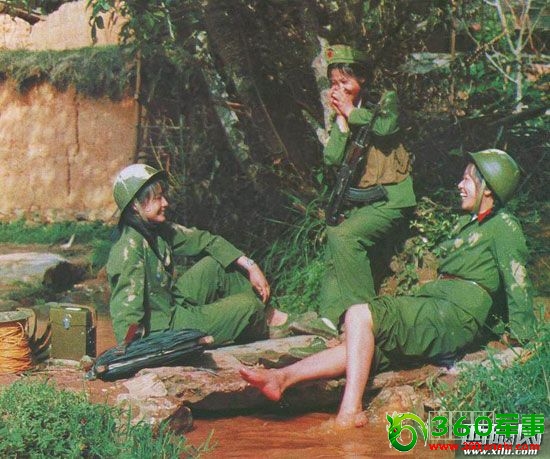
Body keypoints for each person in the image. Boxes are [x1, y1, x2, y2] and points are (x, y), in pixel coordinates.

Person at [241, 149, 537, 428]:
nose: (460, 185)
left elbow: (517, 280)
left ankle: (350, 411)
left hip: (452, 314)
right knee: (362, 346)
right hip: (438, 309)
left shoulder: (504, 225)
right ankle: (282, 378)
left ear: (488, 189)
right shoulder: (471, 223)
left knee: (359, 314)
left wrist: (522, 339)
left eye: (467, 180)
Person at [106, 163, 289, 346]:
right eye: (158, 198)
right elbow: (127, 313)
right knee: (247, 306)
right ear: (136, 205)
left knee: (218, 266)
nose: (165, 203)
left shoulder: (156, 229)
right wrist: (132, 347)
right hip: (164, 329)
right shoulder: (128, 248)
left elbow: (205, 240)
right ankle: (260, 323)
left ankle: (273, 317)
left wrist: (250, 265)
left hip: (170, 303)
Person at [318, 44, 416, 330]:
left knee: (345, 237)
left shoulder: (385, 102)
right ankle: (328, 318)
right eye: (334, 83)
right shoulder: (344, 114)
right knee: (335, 239)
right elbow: (332, 158)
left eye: (344, 81)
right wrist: (341, 121)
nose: (338, 89)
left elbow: (385, 128)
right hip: (366, 204)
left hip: (392, 199)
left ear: (361, 79)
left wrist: (351, 112)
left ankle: (365, 320)